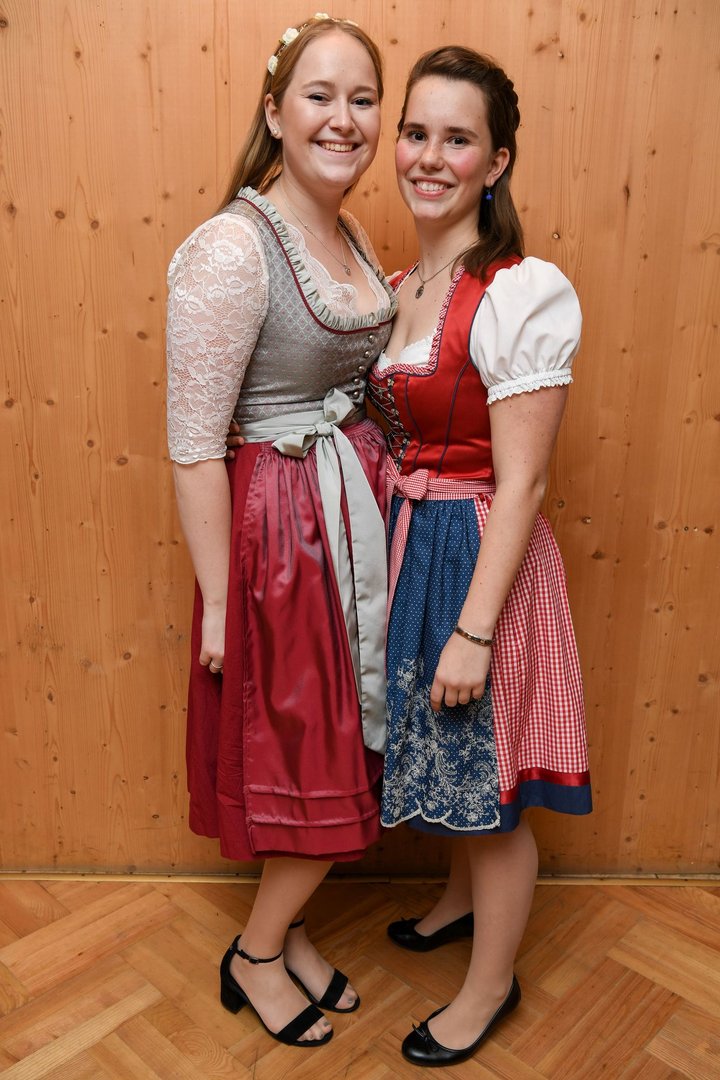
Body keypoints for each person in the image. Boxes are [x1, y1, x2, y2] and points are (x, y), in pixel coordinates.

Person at [166, 14, 396, 1049]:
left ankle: (289, 930)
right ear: (274, 112)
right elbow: (192, 443)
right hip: (280, 535)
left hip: (344, 515)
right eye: (319, 96)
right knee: (307, 745)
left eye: (363, 99)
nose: (344, 120)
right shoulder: (232, 246)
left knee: (338, 741)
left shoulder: (350, 232)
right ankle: (256, 952)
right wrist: (222, 600)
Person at [366, 47, 592, 1067]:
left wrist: (475, 630)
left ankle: (491, 987)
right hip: (419, 544)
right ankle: (459, 904)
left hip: (477, 558)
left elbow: (525, 482)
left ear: (495, 162)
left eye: (457, 139)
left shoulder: (519, 290)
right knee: (448, 757)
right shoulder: (404, 284)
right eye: (416, 132)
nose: (429, 156)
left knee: (487, 786)